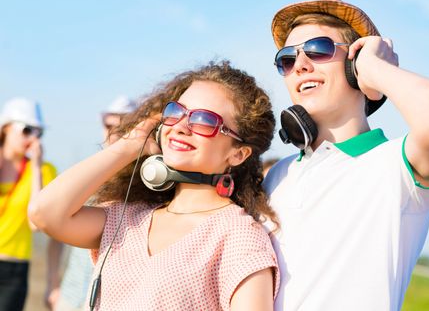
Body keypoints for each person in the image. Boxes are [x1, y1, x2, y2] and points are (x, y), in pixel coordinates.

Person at [263, 0, 429, 310]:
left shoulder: (398, 167)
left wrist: (374, 66)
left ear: (354, 64)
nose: (300, 65)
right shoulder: (277, 175)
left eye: (318, 49)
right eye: (286, 59)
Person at [30, 61, 280, 310]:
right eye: (176, 112)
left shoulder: (238, 237)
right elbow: (45, 213)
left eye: (204, 120)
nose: (181, 127)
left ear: (238, 154)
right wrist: (130, 145)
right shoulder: (128, 218)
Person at [46, 96, 138, 311]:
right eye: (109, 126)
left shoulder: (144, 182)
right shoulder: (82, 176)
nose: (115, 133)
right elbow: (55, 233)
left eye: (123, 127)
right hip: (71, 295)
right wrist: (52, 283)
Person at [0, 97, 57, 311]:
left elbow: (36, 224)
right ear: (6, 129)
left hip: (14, 270)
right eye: (26, 130)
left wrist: (35, 168)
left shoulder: (45, 171)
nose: (33, 138)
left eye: (38, 132)